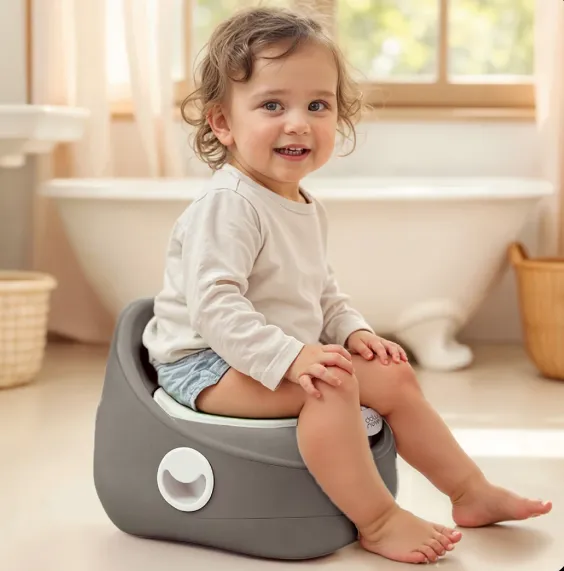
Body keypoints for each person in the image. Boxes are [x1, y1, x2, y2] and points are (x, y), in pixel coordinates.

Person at [142, 6, 552, 564]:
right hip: (204, 364)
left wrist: (354, 331)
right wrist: (294, 358)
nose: (298, 123)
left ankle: (469, 492)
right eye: (272, 105)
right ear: (222, 123)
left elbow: (322, 291)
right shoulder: (229, 205)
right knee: (331, 386)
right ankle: (377, 519)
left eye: (318, 105)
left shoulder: (302, 204)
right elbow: (215, 308)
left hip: (263, 355)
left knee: (393, 375)